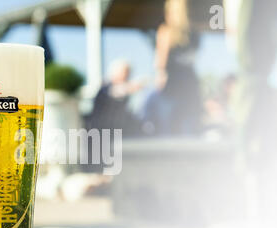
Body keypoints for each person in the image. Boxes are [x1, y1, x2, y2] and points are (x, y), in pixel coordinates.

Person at [141, 0, 203, 136]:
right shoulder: (194, 33)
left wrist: (159, 76)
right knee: (190, 130)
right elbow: (192, 59)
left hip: (171, 86)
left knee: (169, 129)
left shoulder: (166, 31)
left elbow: (160, 62)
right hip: (190, 85)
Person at [84, 59, 144, 137]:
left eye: (128, 74)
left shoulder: (122, 91)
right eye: (125, 73)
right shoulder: (105, 89)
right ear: (115, 73)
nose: (126, 77)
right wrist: (129, 87)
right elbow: (115, 91)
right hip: (102, 134)